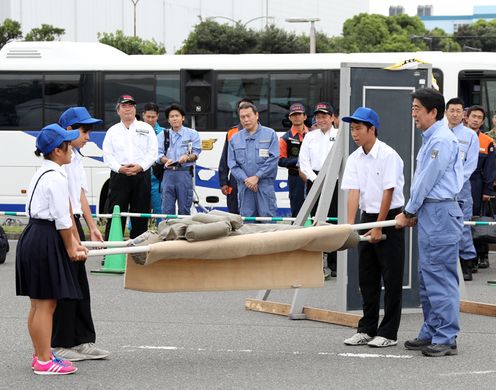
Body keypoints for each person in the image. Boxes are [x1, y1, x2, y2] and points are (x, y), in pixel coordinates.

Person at [396, 88, 464, 357]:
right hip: (431, 212)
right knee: (428, 276)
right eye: (412, 108)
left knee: (440, 276)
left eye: (417, 108)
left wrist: (409, 211)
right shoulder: (432, 138)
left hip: (439, 212)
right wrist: (416, 211)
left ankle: (446, 337)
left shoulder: (441, 141)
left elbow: (427, 180)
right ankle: (432, 330)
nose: (413, 114)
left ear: (433, 112)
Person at [16, 124, 86, 375]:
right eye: (68, 144)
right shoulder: (55, 176)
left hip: (34, 235)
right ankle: (44, 361)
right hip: (45, 237)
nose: (72, 148)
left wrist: (74, 243)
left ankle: (41, 354)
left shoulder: (42, 172)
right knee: (46, 304)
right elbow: (63, 219)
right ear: (58, 150)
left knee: (39, 304)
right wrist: (72, 247)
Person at [341, 107, 405, 348]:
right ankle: (366, 329)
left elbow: (389, 191)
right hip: (367, 216)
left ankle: (388, 332)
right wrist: (349, 226)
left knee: (391, 277)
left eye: (358, 128)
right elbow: (353, 192)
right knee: (366, 277)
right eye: (352, 129)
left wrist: (379, 227)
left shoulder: (389, 155)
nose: (354, 133)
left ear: (372, 129)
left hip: (390, 218)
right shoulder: (354, 158)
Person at [51, 107, 110, 361]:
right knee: (65, 287)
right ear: (68, 131)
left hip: (74, 221)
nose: (88, 136)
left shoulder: (75, 157)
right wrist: (74, 235)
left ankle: (83, 340)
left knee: (80, 286)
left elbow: (80, 195)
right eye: (84, 131)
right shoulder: (59, 160)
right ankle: (61, 344)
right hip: (63, 224)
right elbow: (64, 201)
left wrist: (93, 225)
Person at [102, 95, 158, 239]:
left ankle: (138, 254)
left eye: (131, 106)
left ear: (135, 109)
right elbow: (107, 155)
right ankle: (110, 252)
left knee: (140, 215)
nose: (128, 109)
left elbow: (152, 152)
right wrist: (120, 168)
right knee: (116, 215)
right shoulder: (112, 131)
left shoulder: (146, 128)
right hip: (119, 175)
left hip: (141, 175)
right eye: (124, 106)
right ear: (118, 110)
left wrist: (141, 167)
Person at [299, 102, 339, 278]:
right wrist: (316, 180)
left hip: (336, 180)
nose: (321, 119)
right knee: (316, 220)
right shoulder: (310, 136)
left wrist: (331, 179)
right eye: (318, 116)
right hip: (314, 180)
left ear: (332, 118)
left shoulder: (339, 135)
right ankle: (318, 263)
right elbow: (304, 162)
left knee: (335, 221)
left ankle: (335, 263)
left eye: (325, 116)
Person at [445, 98, 479, 281]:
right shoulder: (440, 133)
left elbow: (471, 163)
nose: (455, 114)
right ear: (446, 112)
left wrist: (456, 182)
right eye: (452, 110)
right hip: (442, 189)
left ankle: (467, 263)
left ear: (463, 114)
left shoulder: (470, 136)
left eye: (459, 111)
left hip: (461, 188)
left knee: (463, 226)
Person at [228, 102, 279, 217]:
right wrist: (247, 180)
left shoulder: (270, 134)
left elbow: (273, 159)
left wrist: (257, 177)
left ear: (256, 115)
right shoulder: (235, 139)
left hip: (264, 187)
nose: (246, 119)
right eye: (242, 117)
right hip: (245, 188)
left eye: (248, 116)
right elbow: (232, 164)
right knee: (247, 222)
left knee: (267, 223)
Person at [157, 103, 201, 215]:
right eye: (171, 116)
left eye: (177, 115)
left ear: (183, 118)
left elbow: (196, 153)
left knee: (185, 209)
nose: (174, 118)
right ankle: (167, 232)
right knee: (167, 210)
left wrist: (187, 157)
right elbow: (158, 155)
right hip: (168, 174)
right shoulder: (163, 135)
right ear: (168, 120)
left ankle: (183, 232)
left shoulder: (192, 134)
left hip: (184, 174)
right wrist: (165, 160)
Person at [466, 105, 496, 270]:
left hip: (477, 184)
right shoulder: (458, 137)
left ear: (482, 121)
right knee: (464, 220)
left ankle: (480, 255)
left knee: (477, 220)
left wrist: (487, 191)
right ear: (467, 118)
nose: (476, 120)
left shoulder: (487, 141)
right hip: (461, 182)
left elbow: (490, 169)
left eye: (479, 117)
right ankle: (467, 259)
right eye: (473, 116)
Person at [218, 98, 254, 214]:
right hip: (235, 178)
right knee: (234, 212)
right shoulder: (232, 132)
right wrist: (223, 182)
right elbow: (225, 159)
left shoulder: (264, 133)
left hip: (254, 178)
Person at [279, 103, 309, 217]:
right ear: (290, 117)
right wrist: (299, 161)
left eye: (299, 114)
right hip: (295, 178)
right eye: (294, 115)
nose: (297, 117)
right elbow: (280, 161)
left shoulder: (313, 135)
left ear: (305, 116)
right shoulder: (284, 138)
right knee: (297, 211)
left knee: (317, 210)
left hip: (313, 176)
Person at [142, 102, 165, 224]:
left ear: (157, 116)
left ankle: (162, 234)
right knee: (138, 207)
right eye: (148, 117)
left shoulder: (164, 133)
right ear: (143, 115)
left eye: (153, 117)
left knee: (159, 209)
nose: (150, 119)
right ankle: (135, 235)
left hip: (157, 177)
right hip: (140, 176)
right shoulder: (136, 131)